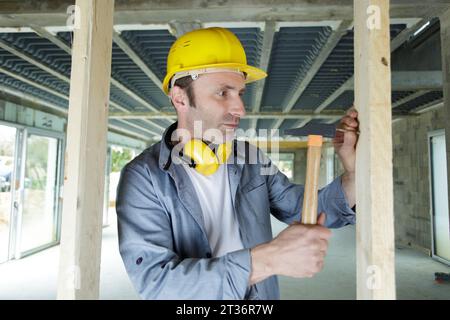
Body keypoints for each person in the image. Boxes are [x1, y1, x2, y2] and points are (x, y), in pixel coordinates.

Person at [116, 27, 359, 300]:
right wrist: (268, 260)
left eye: (240, 93)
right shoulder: (143, 177)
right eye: (223, 93)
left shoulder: (250, 160)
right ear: (180, 97)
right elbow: (157, 282)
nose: (240, 109)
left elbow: (311, 212)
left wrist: (353, 171)